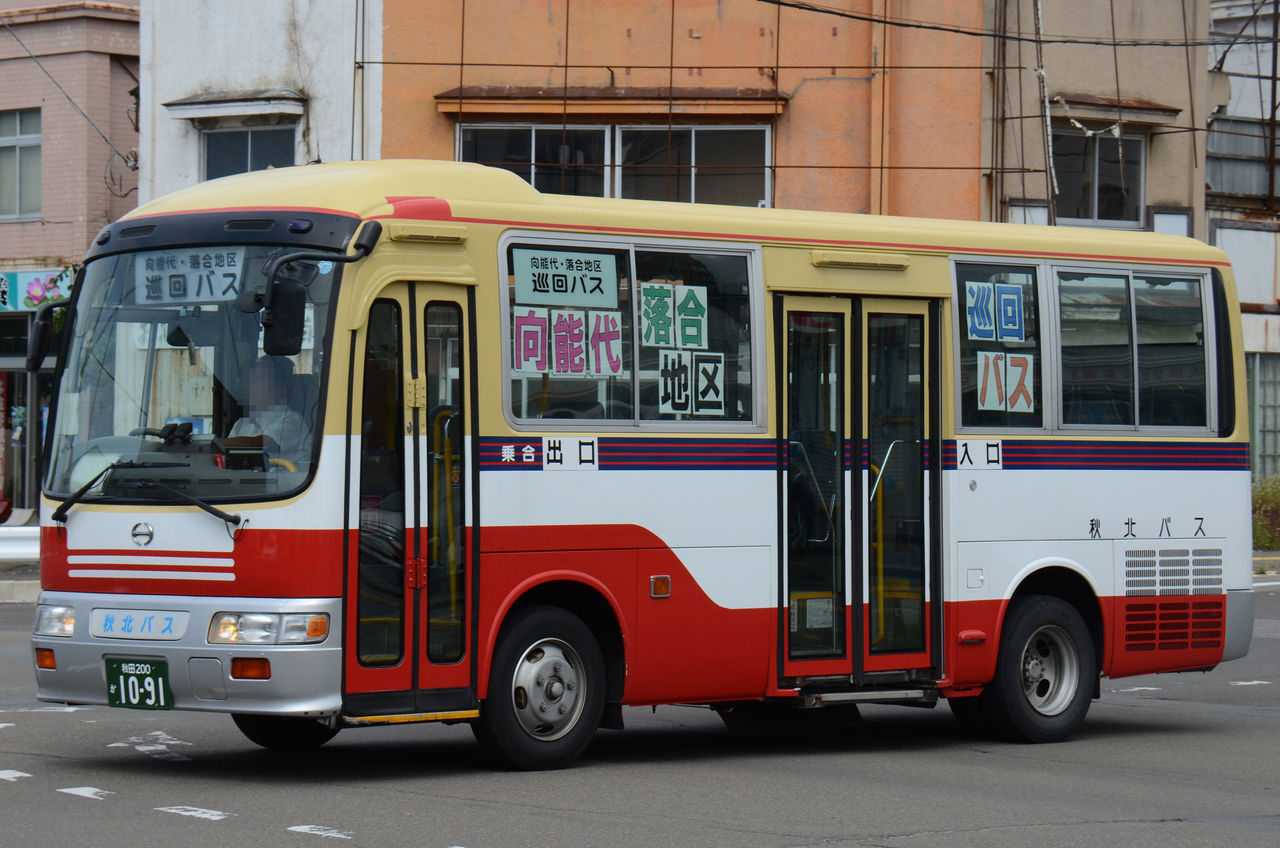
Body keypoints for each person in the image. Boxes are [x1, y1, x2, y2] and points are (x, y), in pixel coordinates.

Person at [228, 356, 309, 463]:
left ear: (280, 388)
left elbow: (262, 444)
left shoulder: (292, 420)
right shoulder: (241, 425)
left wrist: (215, 443)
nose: (250, 385)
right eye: (249, 379)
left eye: (258, 379)